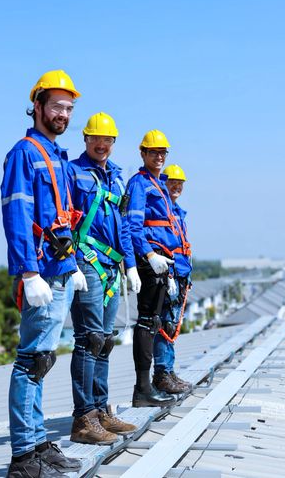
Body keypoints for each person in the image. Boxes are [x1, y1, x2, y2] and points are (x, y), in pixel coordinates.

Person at [1, 69, 89, 478]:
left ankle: (38, 445)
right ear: (37, 106)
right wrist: (27, 272)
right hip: (40, 272)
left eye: (69, 108)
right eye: (56, 105)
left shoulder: (56, 155)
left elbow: (63, 219)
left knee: (43, 359)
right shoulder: (25, 153)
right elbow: (17, 214)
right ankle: (24, 457)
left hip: (58, 268)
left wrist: (71, 267)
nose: (63, 113)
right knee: (30, 362)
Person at [67, 112, 140, 444]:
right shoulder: (74, 173)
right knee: (89, 339)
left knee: (105, 340)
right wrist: (71, 264)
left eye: (108, 140)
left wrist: (131, 263)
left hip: (112, 266)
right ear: (86, 140)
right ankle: (84, 418)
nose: (102, 144)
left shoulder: (116, 178)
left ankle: (101, 409)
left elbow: (124, 225)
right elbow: (65, 220)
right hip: (87, 260)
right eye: (97, 138)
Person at [125, 130, 181, 408]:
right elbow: (133, 226)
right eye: (153, 152)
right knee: (146, 323)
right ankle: (142, 389)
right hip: (151, 260)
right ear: (143, 153)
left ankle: (147, 387)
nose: (159, 157)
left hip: (162, 261)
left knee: (155, 322)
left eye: (162, 153)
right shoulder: (139, 184)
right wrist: (147, 255)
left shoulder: (157, 183)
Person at [152, 164, 193, 394]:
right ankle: (161, 373)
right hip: (169, 273)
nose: (176, 187)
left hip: (181, 273)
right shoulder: (162, 211)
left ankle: (168, 369)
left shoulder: (178, 212)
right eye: (172, 183)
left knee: (173, 323)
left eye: (180, 184)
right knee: (165, 324)